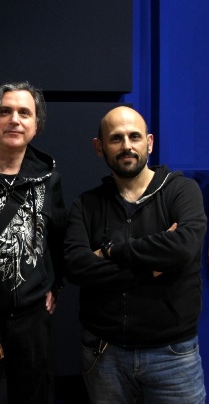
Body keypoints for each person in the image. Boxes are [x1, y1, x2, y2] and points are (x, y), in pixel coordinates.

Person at [64, 106, 207, 403]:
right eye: (116, 138)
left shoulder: (181, 191)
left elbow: (182, 248)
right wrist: (150, 268)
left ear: (149, 143)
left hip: (173, 357)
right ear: (99, 147)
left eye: (135, 136)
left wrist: (111, 251)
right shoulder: (86, 204)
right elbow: (77, 266)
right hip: (104, 355)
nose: (126, 146)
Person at [0, 82, 66, 404]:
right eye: (5, 111)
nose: (14, 119)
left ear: (36, 125)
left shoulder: (49, 177)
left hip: (31, 318)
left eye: (24, 113)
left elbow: (58, 237)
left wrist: (56, 284)